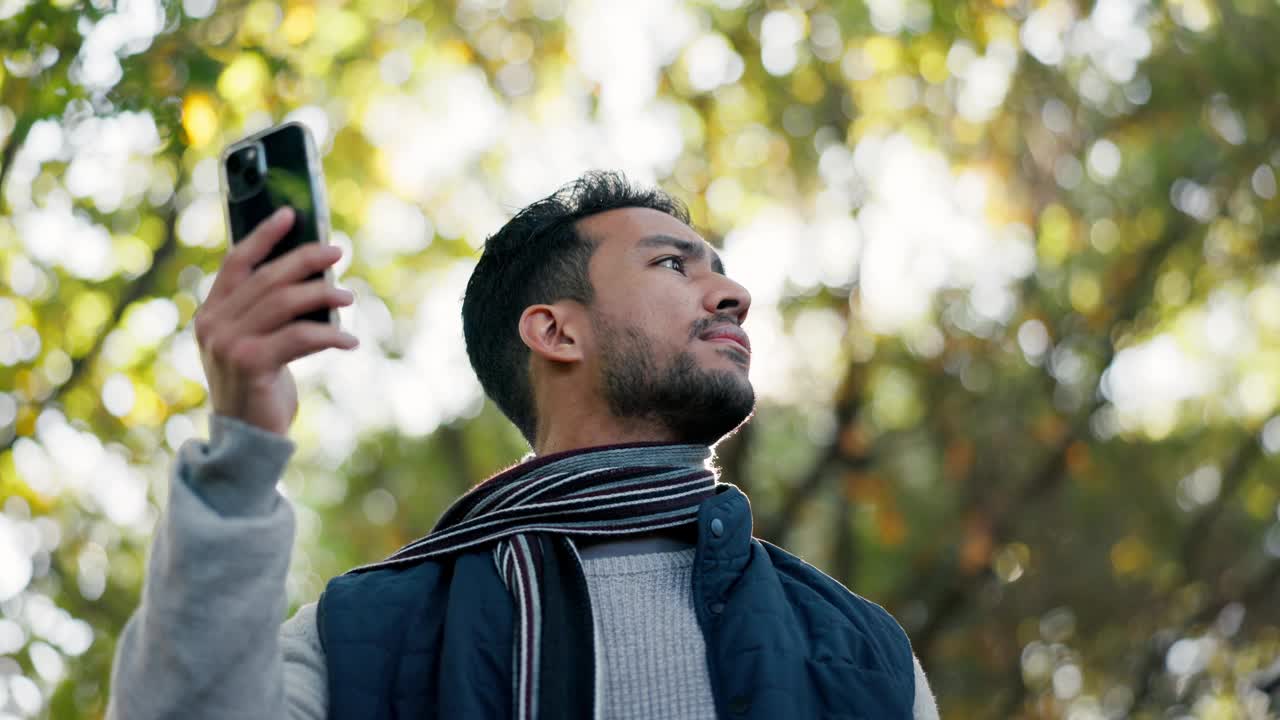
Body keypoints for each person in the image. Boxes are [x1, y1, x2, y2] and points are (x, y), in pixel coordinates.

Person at [107, 171, 940, 719]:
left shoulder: (861, 651)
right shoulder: (365, 637)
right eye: (673, 266)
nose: (734, 293)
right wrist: (243, 450)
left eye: (717, 269)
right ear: (554, 331)